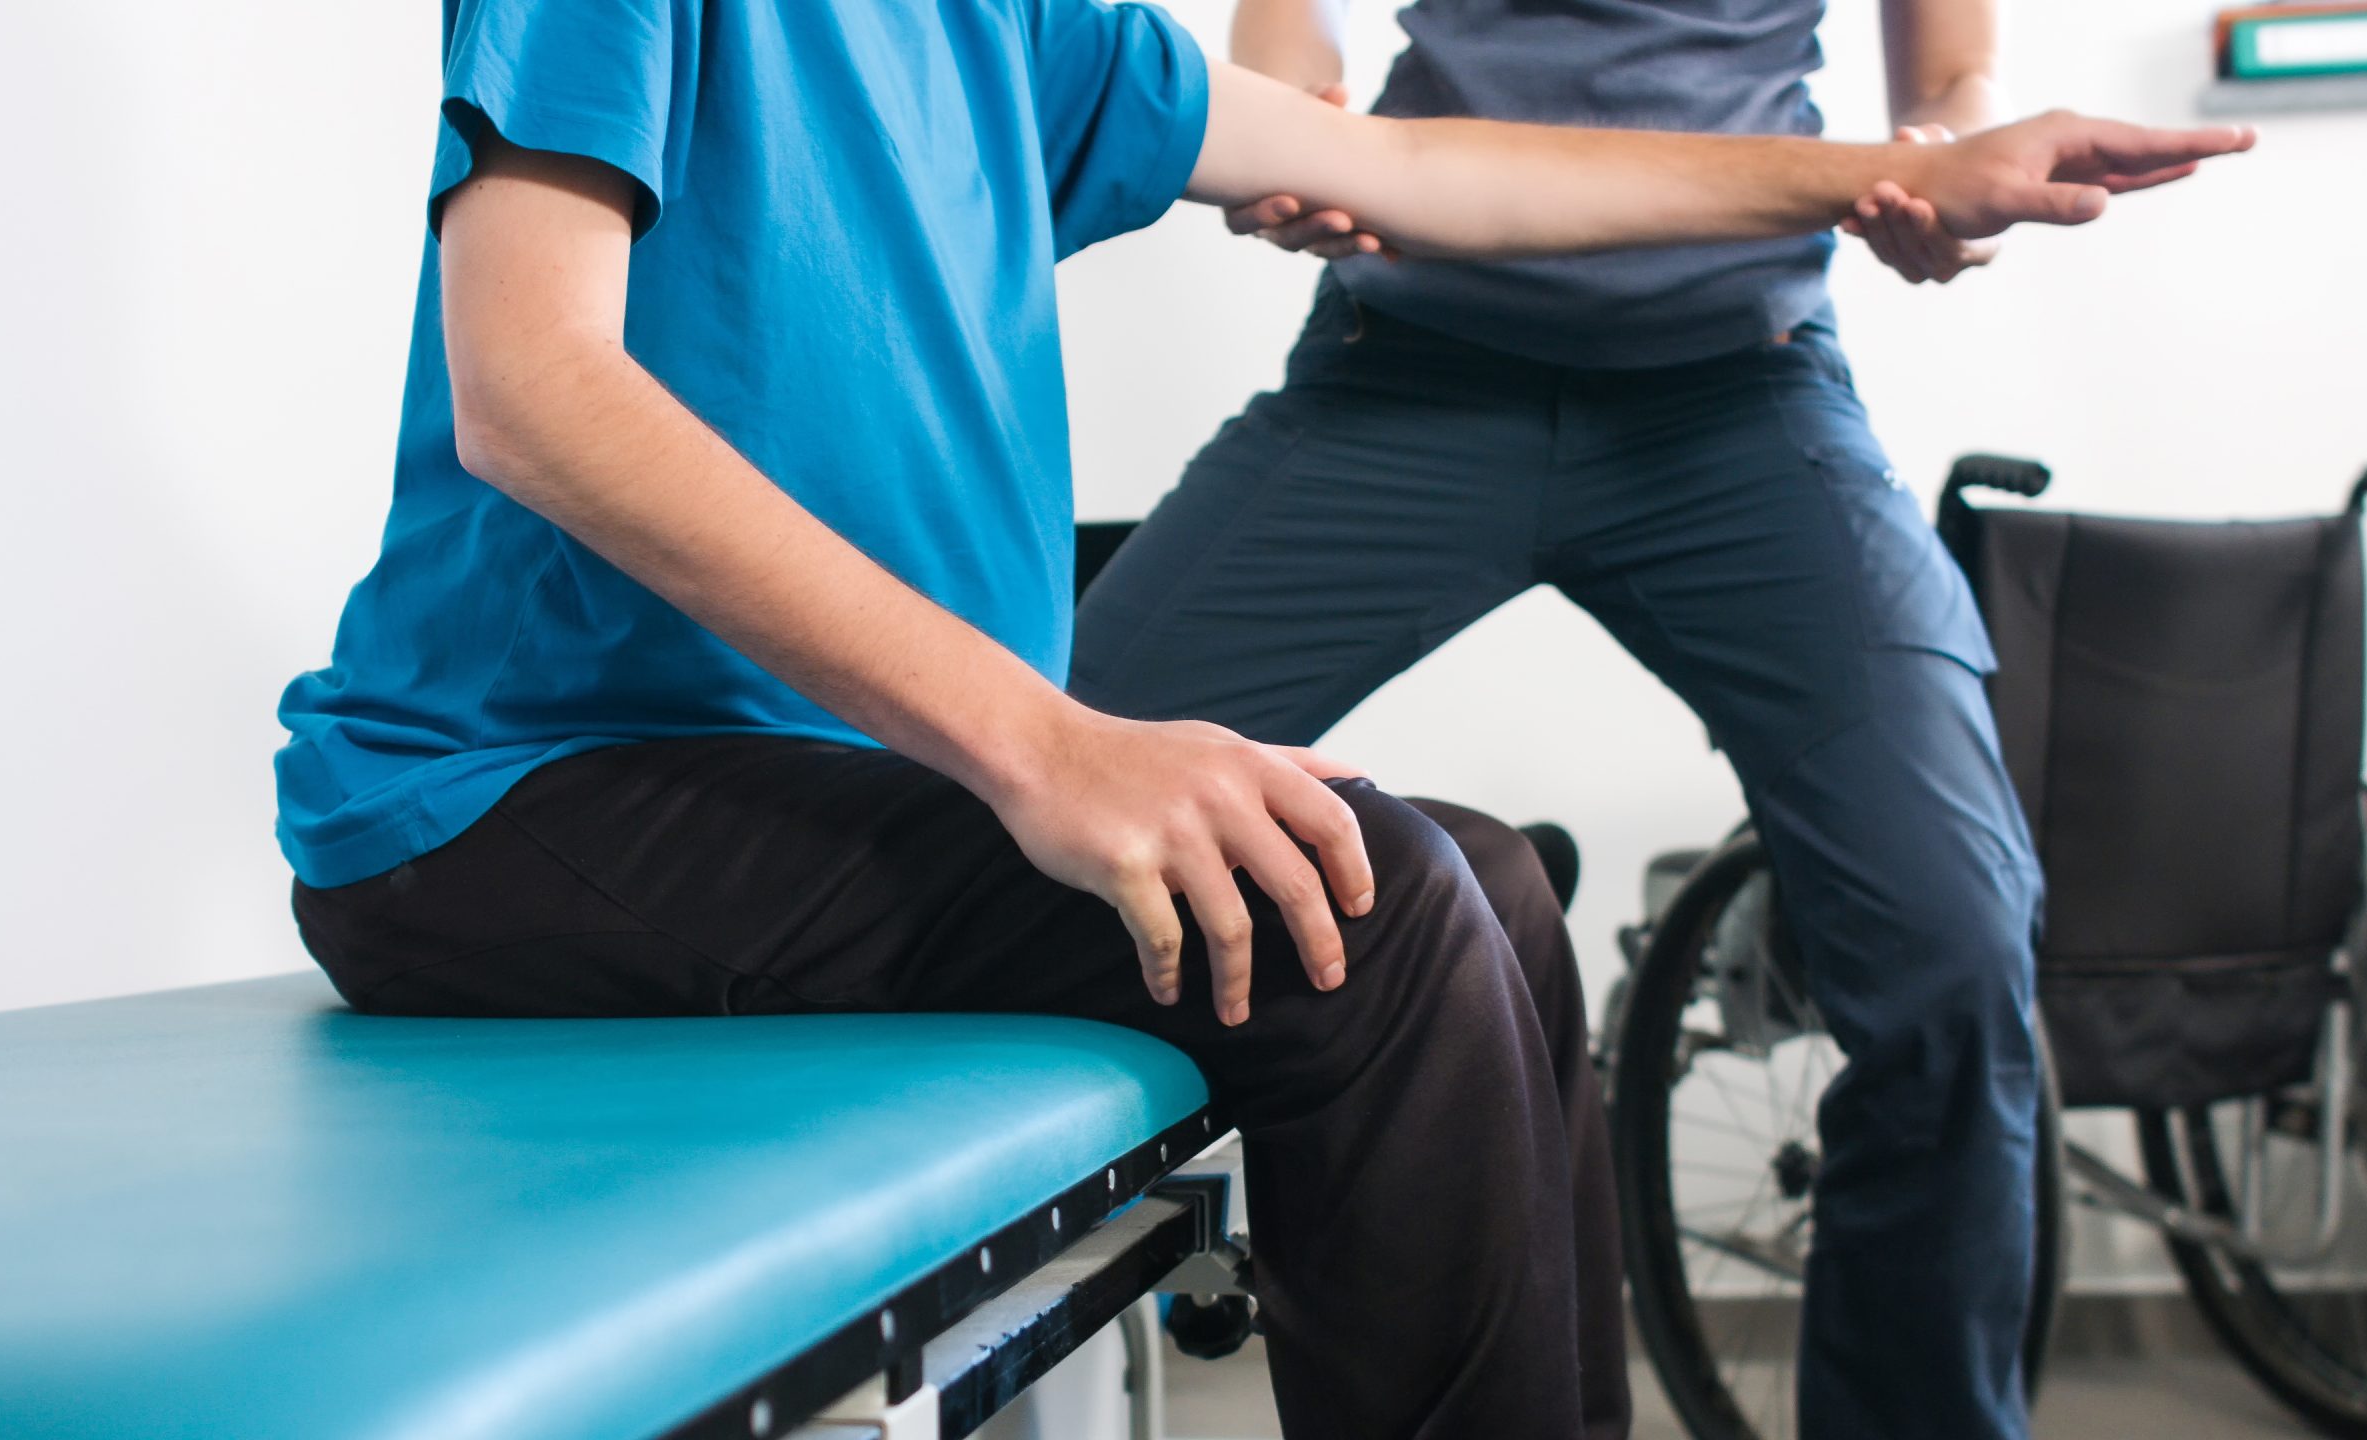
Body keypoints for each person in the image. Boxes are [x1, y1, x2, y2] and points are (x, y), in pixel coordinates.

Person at [273, 0, 2249, 1435]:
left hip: (802, 777)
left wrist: (1895, 167)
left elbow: (1411, 163)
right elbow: (525, 387)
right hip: (506, 803)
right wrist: (1046, 746)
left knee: (1472, 876)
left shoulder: (1023, 30)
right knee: (1362, 904)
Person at [1068, 2, 2137, 1437]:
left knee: (1954, 942)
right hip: (1407, 367)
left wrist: (1946, 163)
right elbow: (1285, 36)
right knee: (999, 799)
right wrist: (1284, 121)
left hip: (1741, 395)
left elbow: (1952, 71)